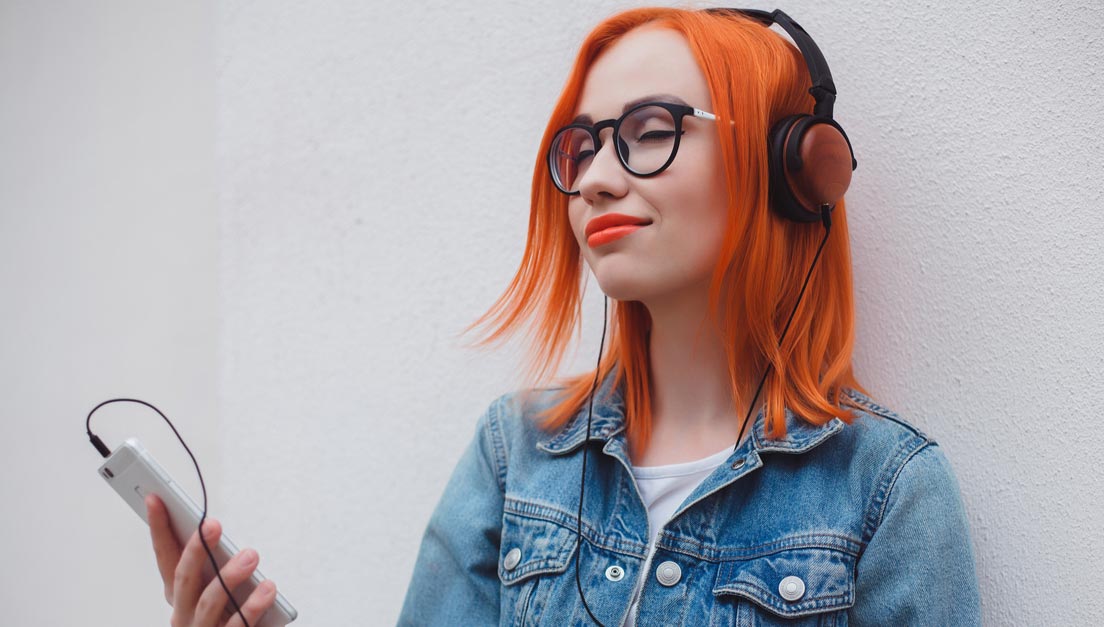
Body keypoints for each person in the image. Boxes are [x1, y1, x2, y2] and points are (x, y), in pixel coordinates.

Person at [145, 7, 980, 626]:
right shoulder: (514, 454)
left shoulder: (887, 492)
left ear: (789, 167)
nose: (595, 181)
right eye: (582, 147)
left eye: (650, 131)